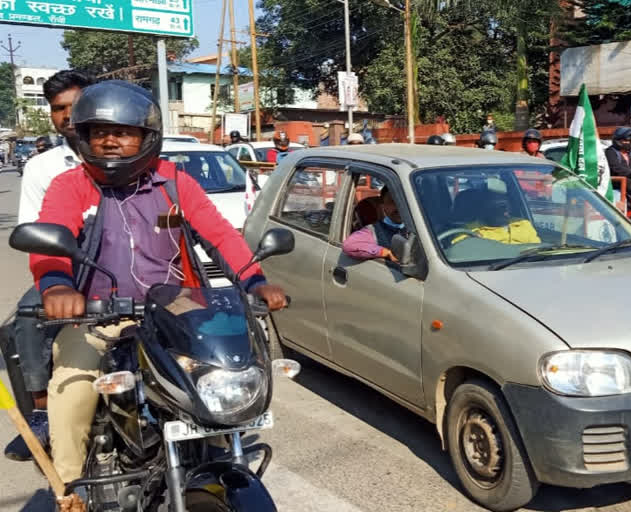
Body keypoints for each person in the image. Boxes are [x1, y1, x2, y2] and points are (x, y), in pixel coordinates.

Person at [28, 80, 287, 490]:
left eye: (124, 132)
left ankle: (214, 451)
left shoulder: (174, 182)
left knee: (221, 376)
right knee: (71, 389)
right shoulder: (71, 185)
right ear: (83, 137)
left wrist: (254, 280)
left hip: (175, 310)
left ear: (147, 137)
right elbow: (51, 239)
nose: (110, 141)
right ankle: (70, 489)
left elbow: (220, 236)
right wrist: (57, 286)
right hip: (99, 316)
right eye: (99, 132)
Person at [5, 70, 95, 462]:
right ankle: (41, 411)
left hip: (124, 265)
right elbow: (36, 234)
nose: (68, 116)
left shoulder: (125, 151)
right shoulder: (43, 167)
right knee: (23, 322)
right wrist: (55, 283)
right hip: (67, 270)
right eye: (59, 109)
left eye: (75, 105)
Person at [343, 186, 405, 262]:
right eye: (392, 202)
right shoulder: (373, 231)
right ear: (383, 206)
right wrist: (385, 252)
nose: (398, 207)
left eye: (403, 202)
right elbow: (349, 245)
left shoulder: (418, 226)